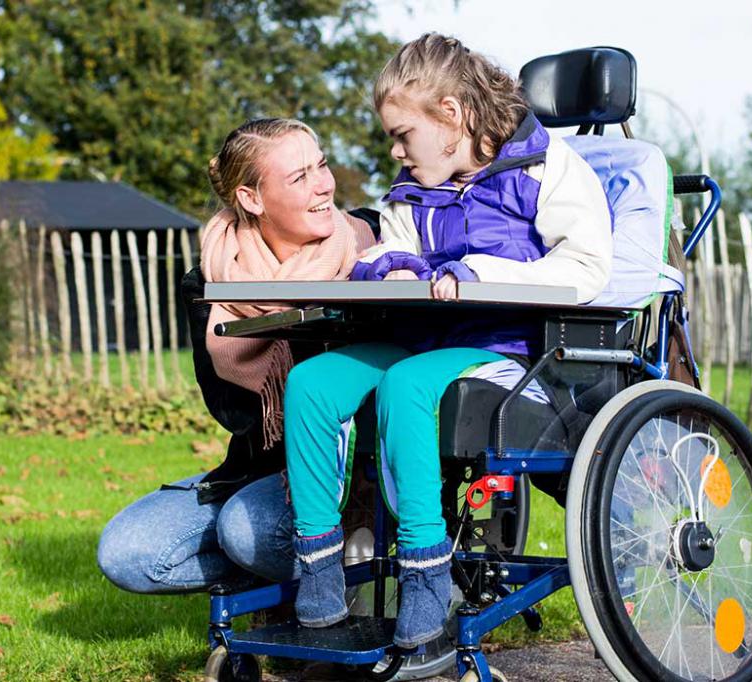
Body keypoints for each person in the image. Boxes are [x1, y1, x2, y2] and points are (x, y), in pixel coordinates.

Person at [283, 33, 613, 649]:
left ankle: (427, 575)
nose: (395, 150)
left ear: (452, 117)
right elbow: (391, 245)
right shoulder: (414, 185)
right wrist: (390, 267)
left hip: (511, 350)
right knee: (312, 384)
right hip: (421, 338)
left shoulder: (546, 170)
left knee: (409, 385)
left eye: (403, 134)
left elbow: (588, 271)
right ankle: (320, 569)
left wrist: (480, 272)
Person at [97, 118, 375, 593]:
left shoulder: (370, 251)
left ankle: (370, 574)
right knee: (129, 553)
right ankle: (297, 579)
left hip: (362, 473)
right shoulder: (211, 281)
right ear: (251, 199)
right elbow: (237, 413)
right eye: (299, 177)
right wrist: (277, 316)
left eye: (321, 165)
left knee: (246, 532)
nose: (323, 185)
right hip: (264, 467)